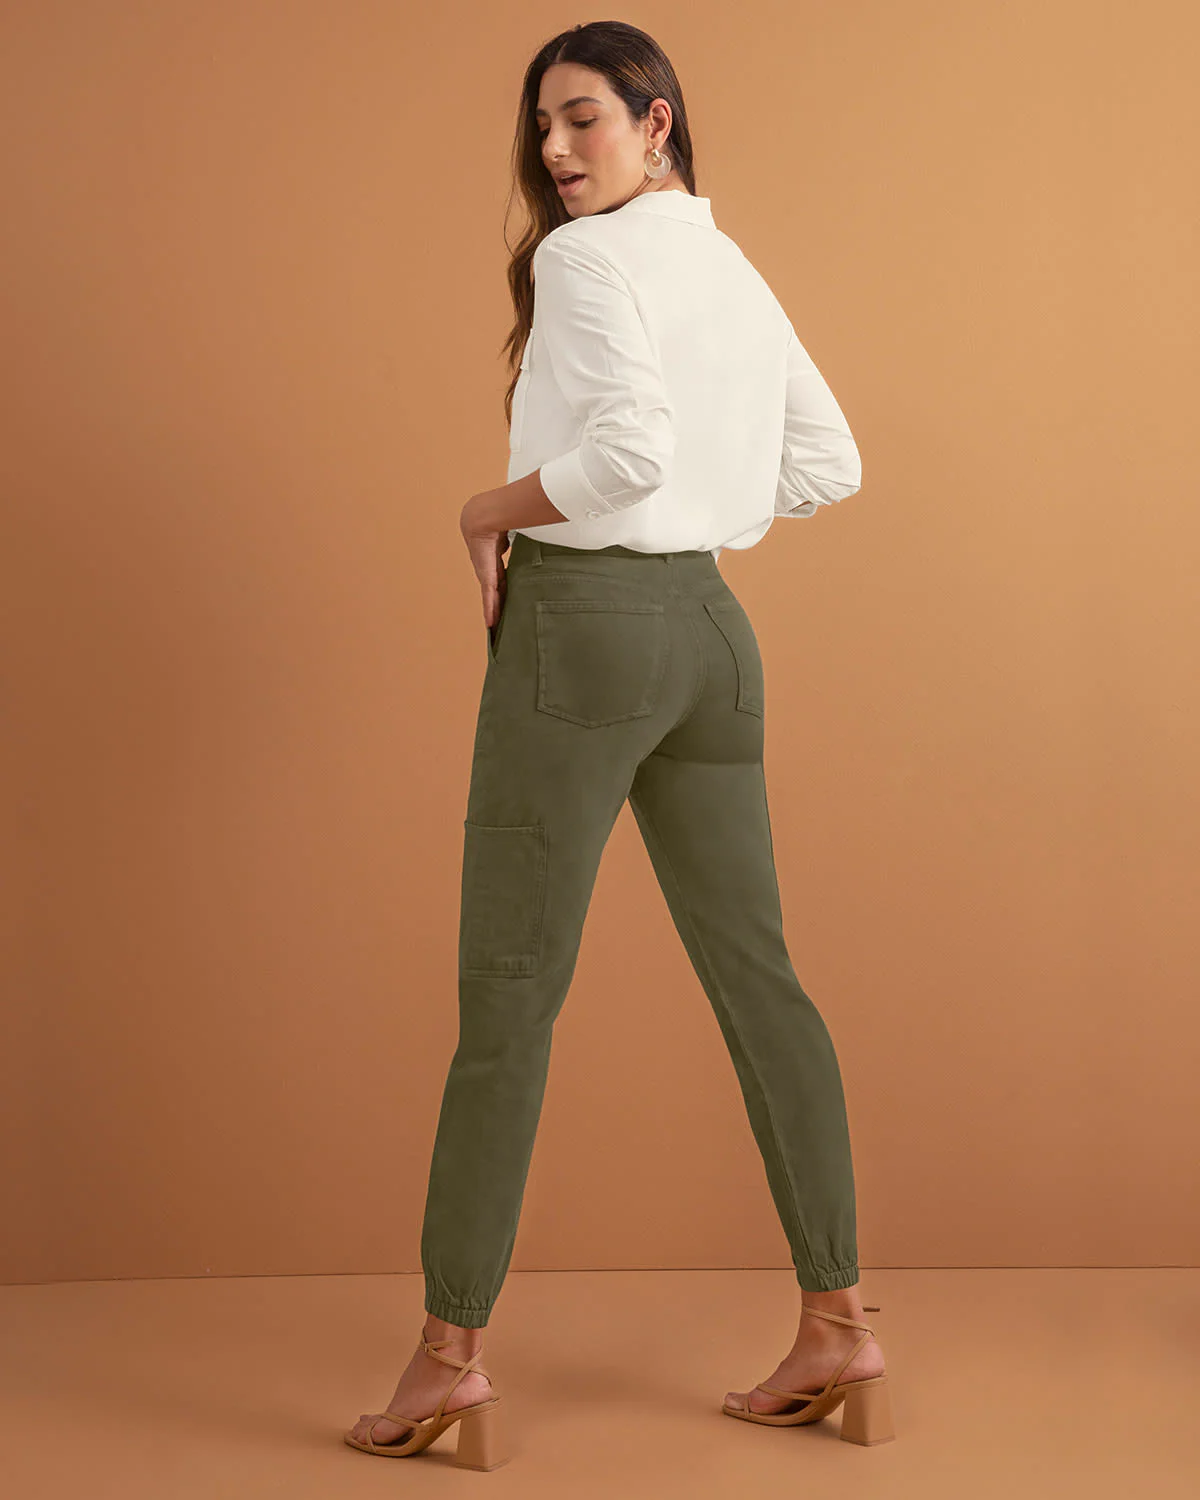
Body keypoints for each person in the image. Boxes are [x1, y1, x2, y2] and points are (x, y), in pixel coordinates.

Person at [345, 21, 893, 1465]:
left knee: (508, 1002)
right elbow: (827, 464)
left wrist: (484, 511)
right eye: (542, 126)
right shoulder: (731, 267)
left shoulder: (585, 263)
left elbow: (631, 452)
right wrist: (708, 506)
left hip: (582, 633)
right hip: (712, 634)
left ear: (658, 122)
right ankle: (841, 1322)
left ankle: (446, 1362)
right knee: (763, 982)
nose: (554, 150)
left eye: (582, 118)